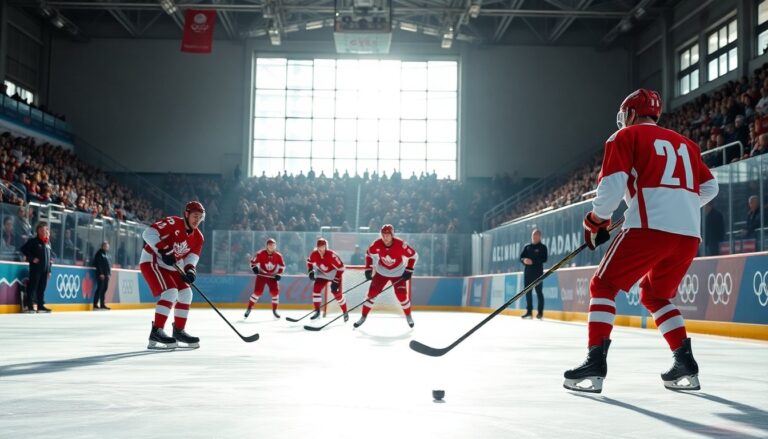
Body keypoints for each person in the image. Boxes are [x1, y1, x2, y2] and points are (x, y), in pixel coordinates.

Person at [563, 89, 719, 393]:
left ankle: (595, 365)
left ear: (631, 114)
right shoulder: (687, 144)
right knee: (655, 294)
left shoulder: (624, 137)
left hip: (649, 227)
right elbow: (710, 187)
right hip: (687, 234)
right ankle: (685, 365)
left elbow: (611, 186)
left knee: (603, 286)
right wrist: (677, 204)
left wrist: (596, 220)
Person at [140, 201, 205, 350]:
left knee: (186, 293)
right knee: (170, 292)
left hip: (172, 266)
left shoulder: (199, 237)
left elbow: (192, 257)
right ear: (187, 214)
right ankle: (156, 331)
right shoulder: (173, 222)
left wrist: (190, 270)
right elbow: (148, 233)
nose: (197, 220)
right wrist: (163, 250)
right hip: (152, 261)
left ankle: (179, 331)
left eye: (200, 217)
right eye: (195, 216)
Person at [354, 224, 418, 329]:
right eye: (383, 234)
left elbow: (414, 255)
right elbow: (368, 254)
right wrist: (368, 268)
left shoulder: (401, 245)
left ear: (392, 235)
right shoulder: (376, 244)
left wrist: (409, 269)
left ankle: (408, 315)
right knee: (371, 294)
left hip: (398, 273)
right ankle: (363, 317)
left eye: (388, 234)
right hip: (381, 272)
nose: (385, 237)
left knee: (401, 295)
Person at [306, 238, 347, 321]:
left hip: (334, 274)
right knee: (316, 289)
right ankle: (317, 312)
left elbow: (342, 268)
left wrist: (335, 281)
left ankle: (345, 312)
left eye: (323, 247)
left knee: (336, 293)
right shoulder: (314, 254)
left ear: (326, 246)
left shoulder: (332, 255)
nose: (321, 249)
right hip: (322, 274)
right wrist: (310, 271)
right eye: (319, 247)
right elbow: (309, 262)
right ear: (317, 247)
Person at [245, 238, 285, 319]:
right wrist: (254, 268)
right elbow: (252, 262)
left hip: (273, 277)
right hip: (261, 276)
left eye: (273, 245)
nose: (272, 247)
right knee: (258, 292)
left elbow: (282, 266)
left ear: (275, 246)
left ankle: (275, 310)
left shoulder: (278, 255)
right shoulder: (260, 253)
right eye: (270, 245)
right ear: (266, 246)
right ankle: (249, 308)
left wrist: (279, 274)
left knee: (275, 292)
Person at [20, 222, 53, 313]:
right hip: (36, 269)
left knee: (42, 288)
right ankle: (30, 305)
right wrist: (32, 258)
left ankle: (40, 306)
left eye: (45, 230)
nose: (44, 231)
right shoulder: (33, 241)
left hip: (45, 269)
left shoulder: (48, 242)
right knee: (33, 286)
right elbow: (23, 250)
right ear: (38, 231)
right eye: (41, 230)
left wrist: (49, 270)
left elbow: (50, 258)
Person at [519, 228, 548, 319]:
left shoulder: (543, 247)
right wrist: (524, 260)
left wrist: (533, 262)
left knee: (539, 292)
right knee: (528, 292)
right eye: (533, 235)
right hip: (528, 273)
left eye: (536, 235)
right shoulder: (527, 247)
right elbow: (521, 257)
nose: (534, 237)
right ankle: (529, 312)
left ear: (540, 237)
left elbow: (544, 259)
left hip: (538, 274)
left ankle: (540, 313)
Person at [92, 241, 112, 310]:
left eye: (107, 246)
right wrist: (101, 273)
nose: (106, 247)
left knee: (104, 289)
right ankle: (95, 304)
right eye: (105, 246)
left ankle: (102, 304)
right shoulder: (99, 253)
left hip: (106, 274)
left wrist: (109, 274)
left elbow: (108, 265)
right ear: (102, 246)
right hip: (101, 275)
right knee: (100, 288)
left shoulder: (107, 254)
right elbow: (98, 264)